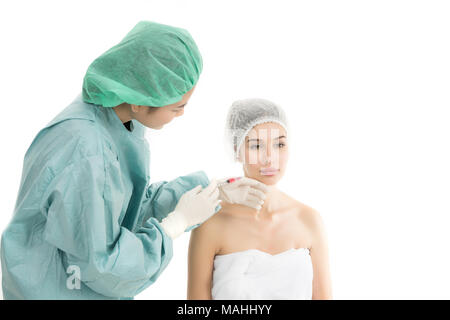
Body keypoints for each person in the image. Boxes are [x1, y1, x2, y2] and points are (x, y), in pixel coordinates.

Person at [0, 21, 267, 300]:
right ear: (140, 99)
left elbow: (124, 208)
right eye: (177, 107)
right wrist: (173, 226)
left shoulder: (117, 117)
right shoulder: (86, 150)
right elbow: (102, 268)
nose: (181, 115)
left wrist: (211, 191)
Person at [187, 98, 332, 300]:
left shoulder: (309, 220)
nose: (269, 158)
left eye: (279, 144)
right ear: (236, 150)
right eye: (256, 146)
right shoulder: (211, 224)